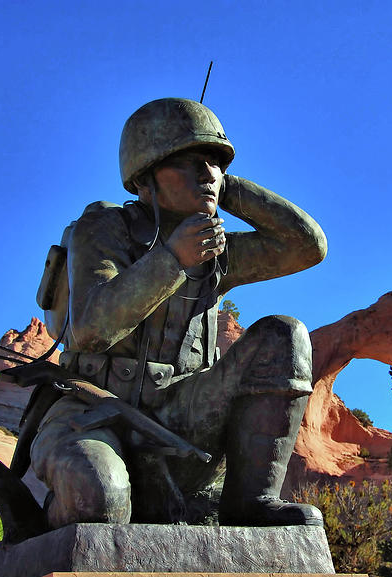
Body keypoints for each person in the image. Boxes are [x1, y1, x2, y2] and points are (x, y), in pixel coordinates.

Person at [26, 98, 327, 528]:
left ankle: (250, 502)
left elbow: (307, 246)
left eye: (214, 163)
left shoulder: (213, 247)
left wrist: (230, 189)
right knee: (100, 501)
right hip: (91, 412)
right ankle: (41, 524)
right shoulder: (105, 225)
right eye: (189, 162)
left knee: (285, 334)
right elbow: (90, 330)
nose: (207, 173)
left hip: (179, 415)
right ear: (145, 174)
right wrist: (172, 260)